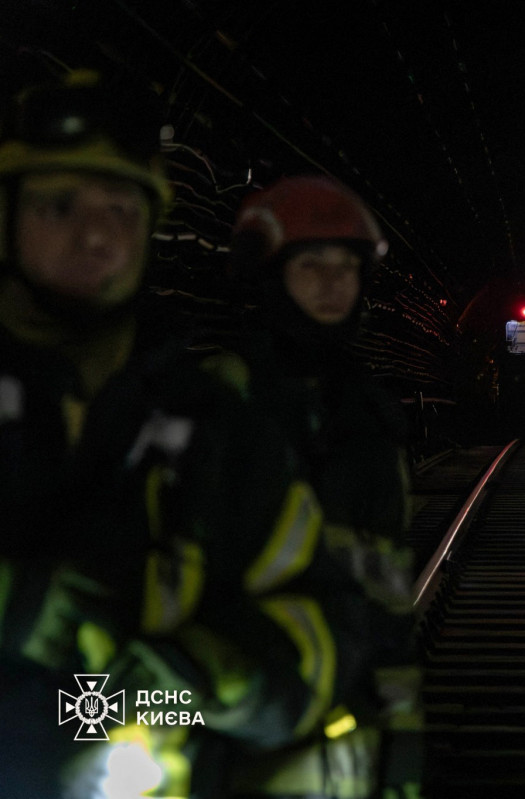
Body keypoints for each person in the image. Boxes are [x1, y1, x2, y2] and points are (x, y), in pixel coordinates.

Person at [0, 69, 341, 797]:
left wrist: (205, 675)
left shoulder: (223, 433)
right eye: (59, 206)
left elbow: (313, 638)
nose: (96, 234)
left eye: (122, 209)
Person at [206, 174, 422, 798]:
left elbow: (390, 591)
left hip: (340, 720)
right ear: (270, 276)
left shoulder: (371, 417)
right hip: (237, 714)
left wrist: (403, 740)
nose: (333, 283)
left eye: (347, 267)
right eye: (311, 265)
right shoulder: (216, 402)